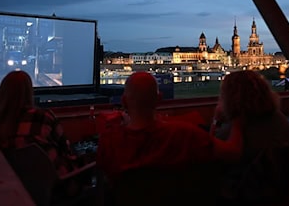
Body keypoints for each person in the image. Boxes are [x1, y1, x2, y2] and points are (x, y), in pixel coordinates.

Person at [96, 71, 243, 183]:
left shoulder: (109, 142)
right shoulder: (186, 134)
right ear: (159, 99)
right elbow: (234, 152)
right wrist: (233, 113)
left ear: (124, 101)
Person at [0, 70, 88, 198]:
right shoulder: (43, 117)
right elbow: (66, 150)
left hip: (19, 186)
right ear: (29, 92)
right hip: (58, 185)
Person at [212, 70, 289, 205]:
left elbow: (212, 152)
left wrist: (216, 121)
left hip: (247, 194)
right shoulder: (279, 119)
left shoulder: (236, 130)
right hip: (280, 188)